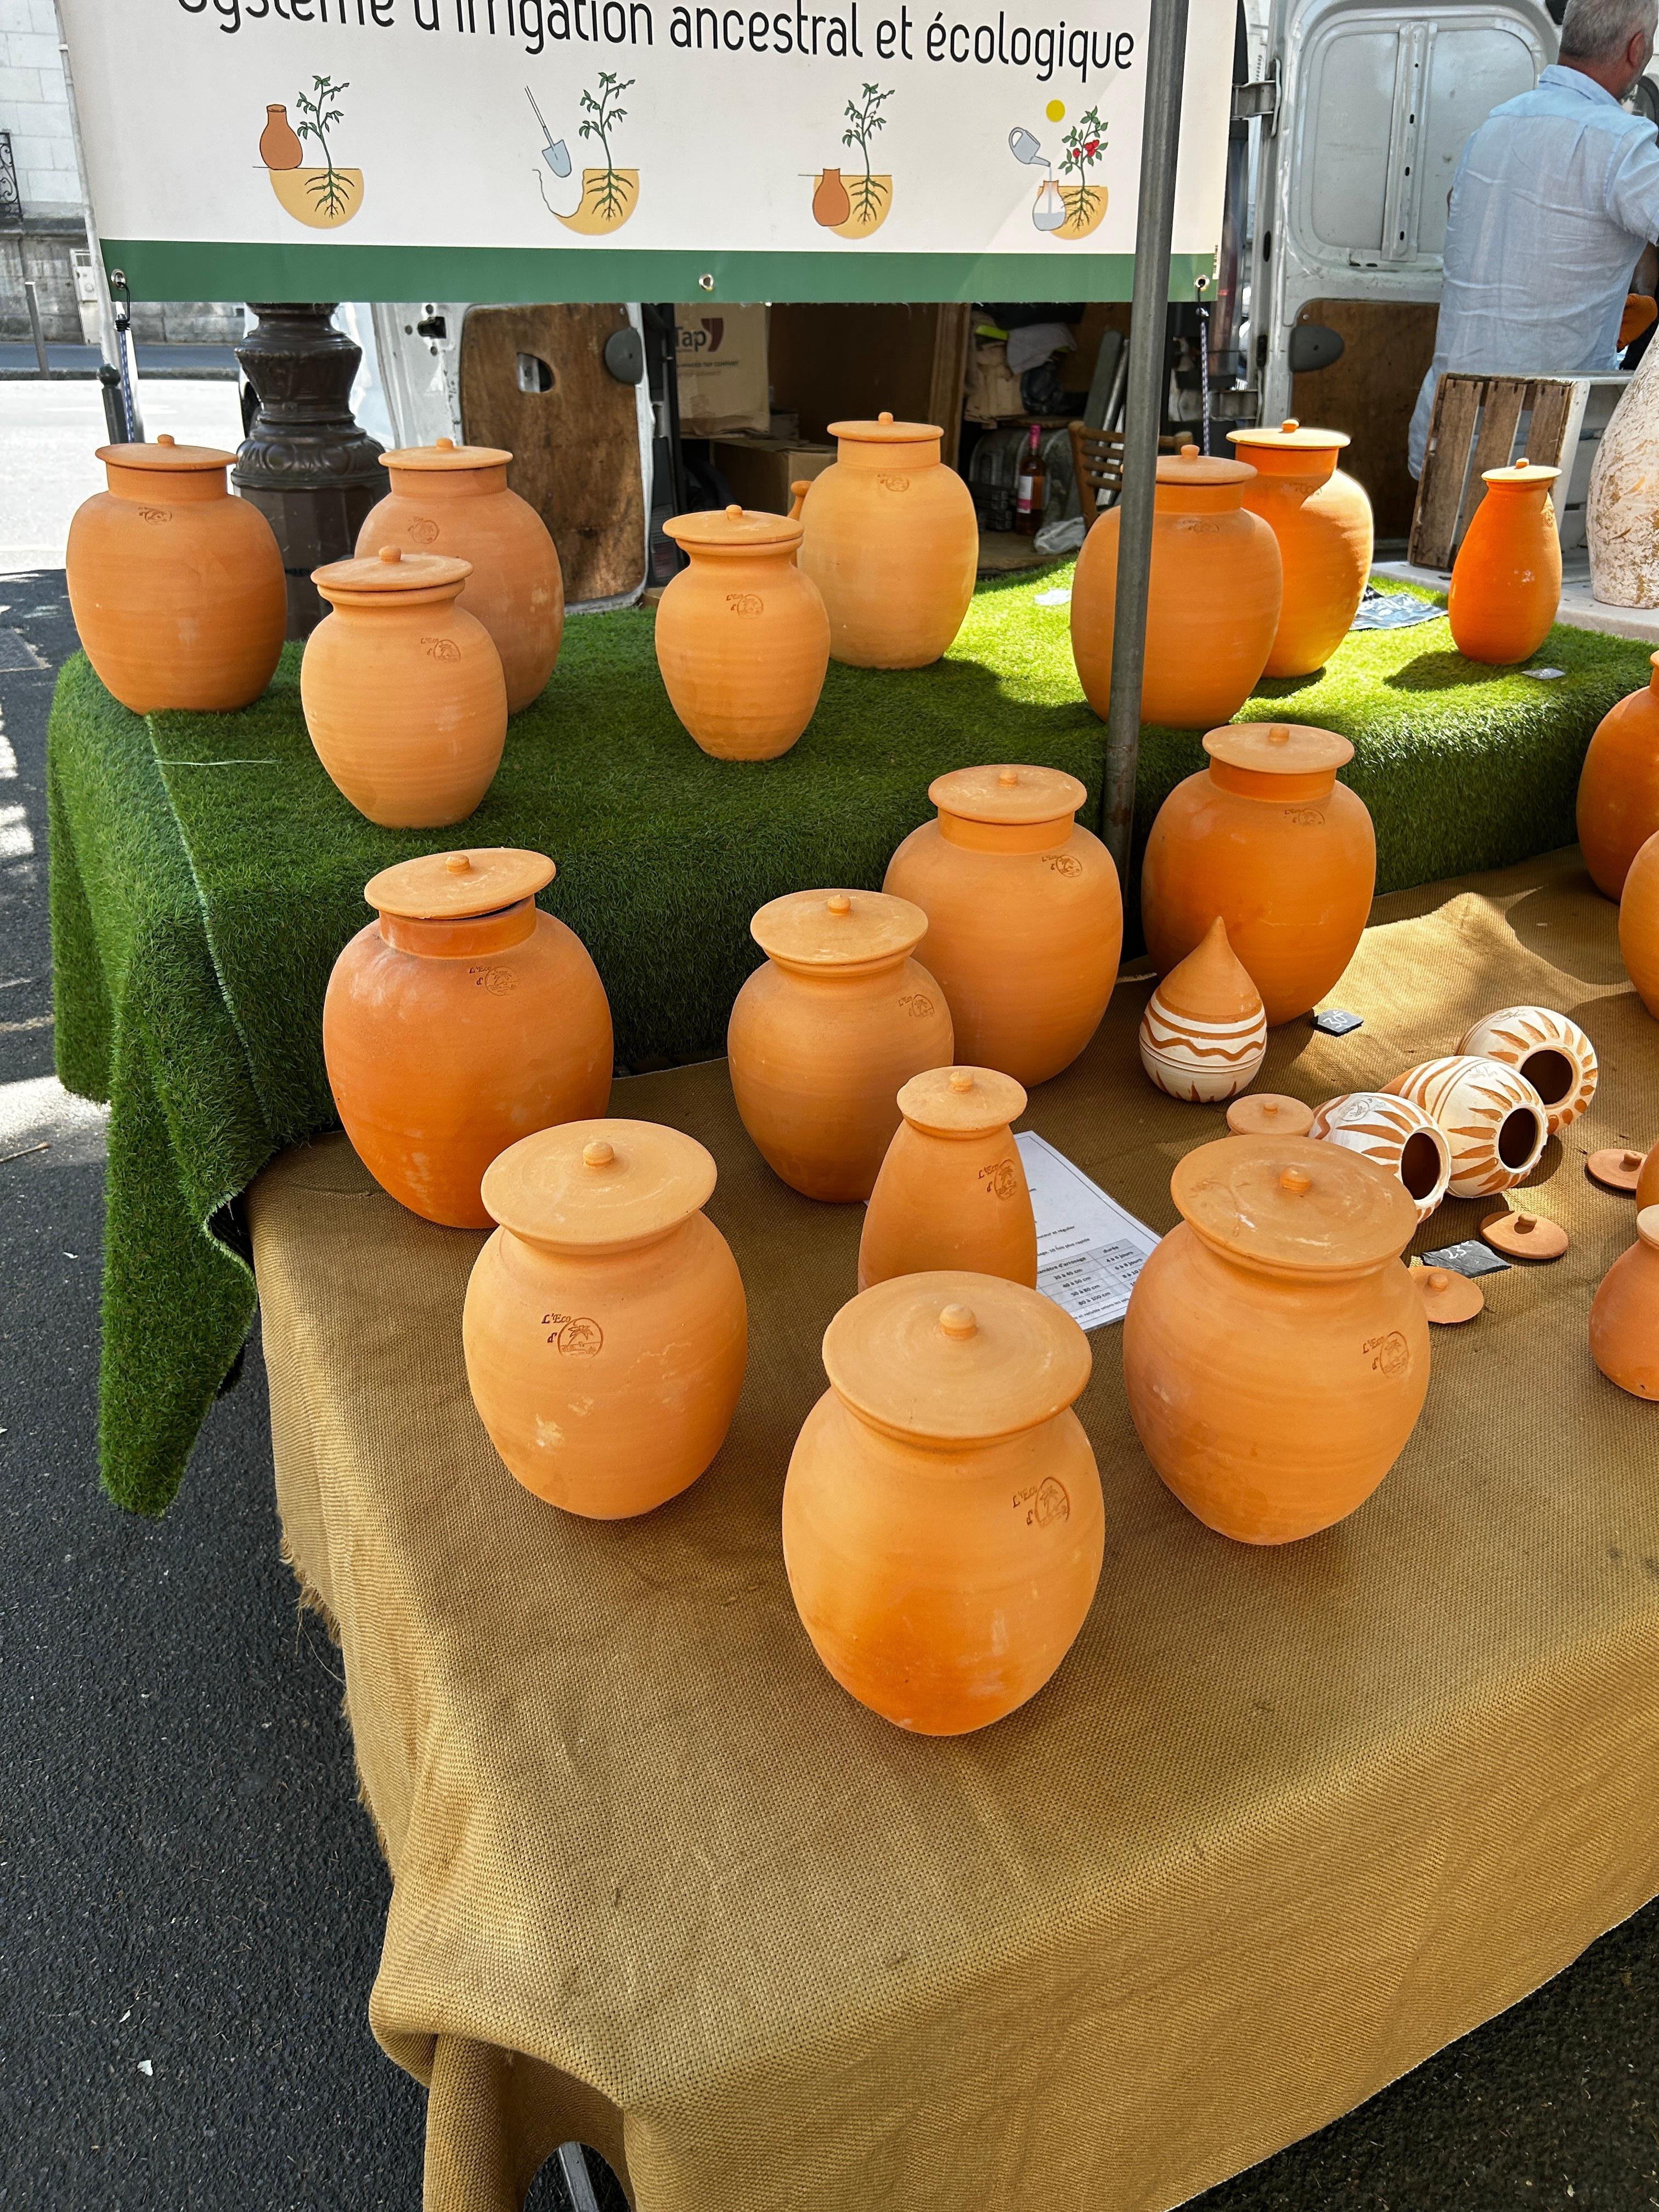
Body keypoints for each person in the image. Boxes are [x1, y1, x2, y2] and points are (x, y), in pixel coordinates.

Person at [1408, 0, 1659, 479]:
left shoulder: (1496, 126)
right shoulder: (1620, 145)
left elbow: (1461, 209)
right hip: (1536, 452)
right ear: (1638, 48)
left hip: (1445, 434)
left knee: (1456, 556)